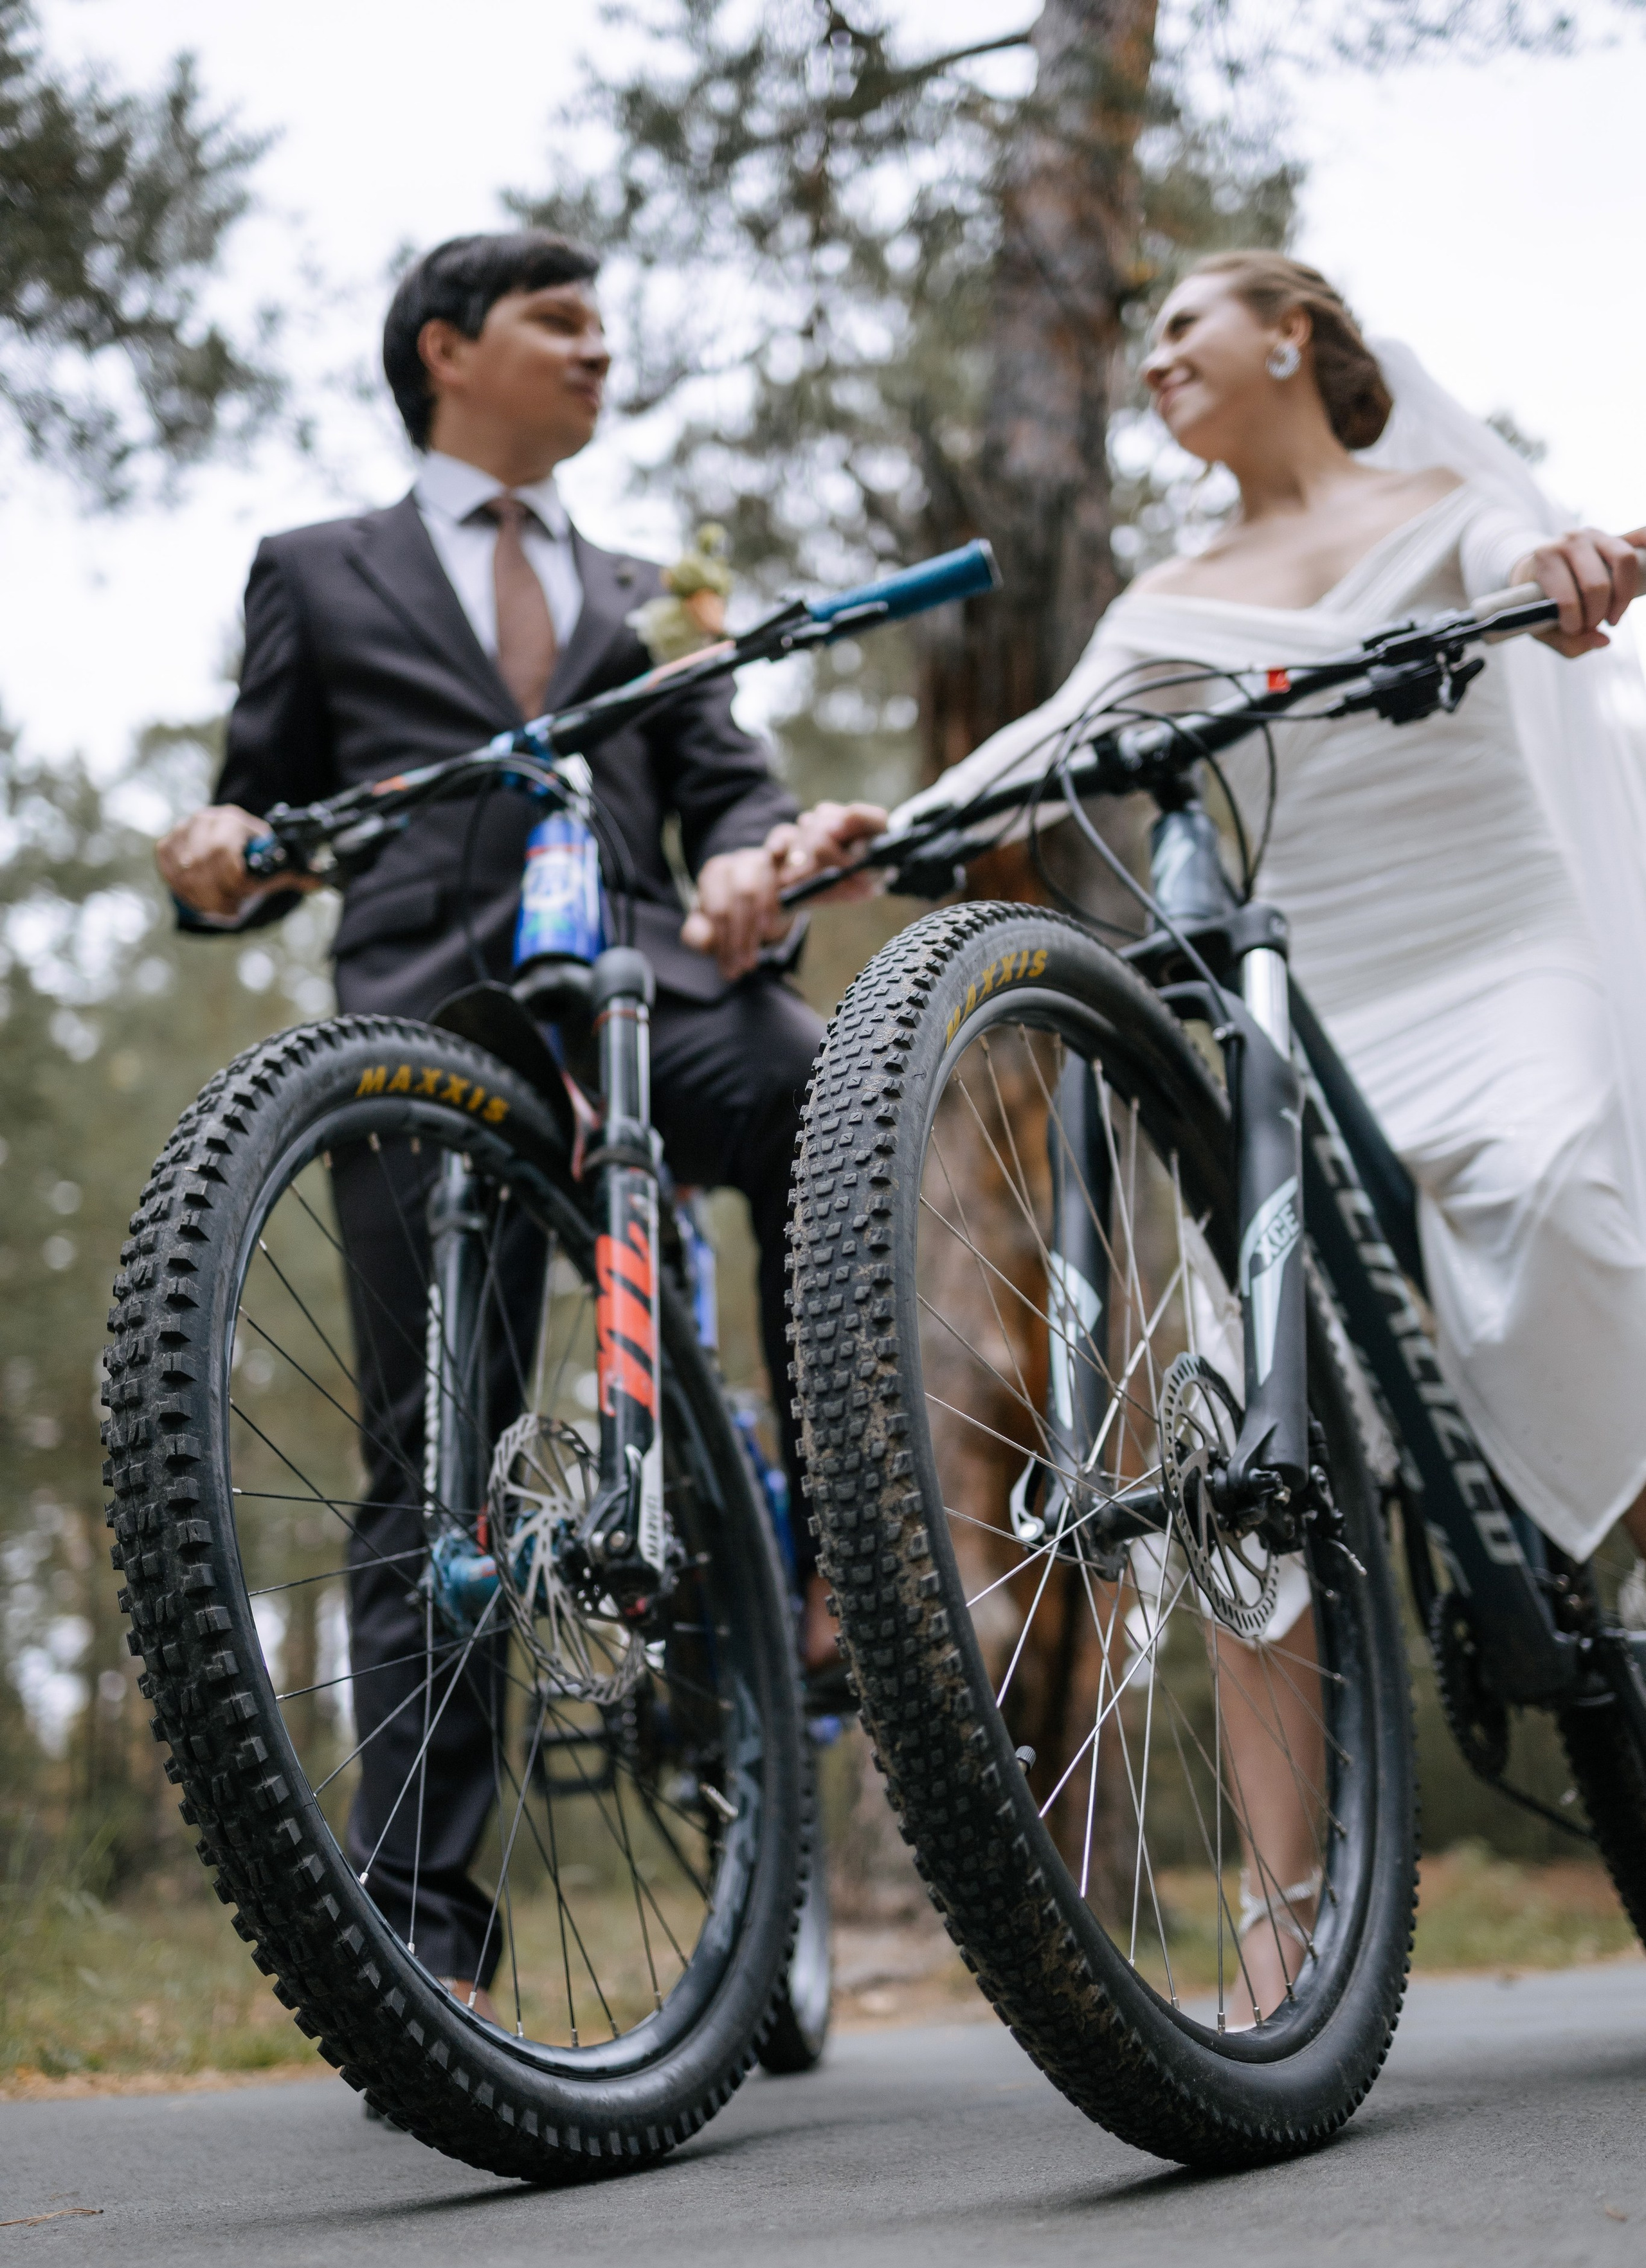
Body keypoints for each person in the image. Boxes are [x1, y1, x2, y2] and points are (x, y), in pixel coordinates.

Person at [860, 251, 1646, 2022]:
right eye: (1138, 345)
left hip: (1492, 953)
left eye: (1180, 331)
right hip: (1312, 996)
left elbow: (1507, 566)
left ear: (1289, 335)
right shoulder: (1176, 589)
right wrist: (878, 823)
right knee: (1237, 1417)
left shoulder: (1444, 502)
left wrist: (1558, 567)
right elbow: (1051, 741)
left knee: (1560, 1206)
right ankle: (1287, 1923)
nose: (1151, 365)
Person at [155, 230, 868, 2012]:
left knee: (818, 1092)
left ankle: (844, 1541)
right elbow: (263, 806)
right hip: (432, 1025)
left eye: (607, 324)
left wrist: (744, 872)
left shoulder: (649, 583)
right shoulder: (314, 571)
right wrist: (220, 854)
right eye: (562, 322)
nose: (600, 351)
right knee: (435, 1451)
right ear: (447, 349)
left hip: (656, 994)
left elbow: (729, 792)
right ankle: (427, 1931)